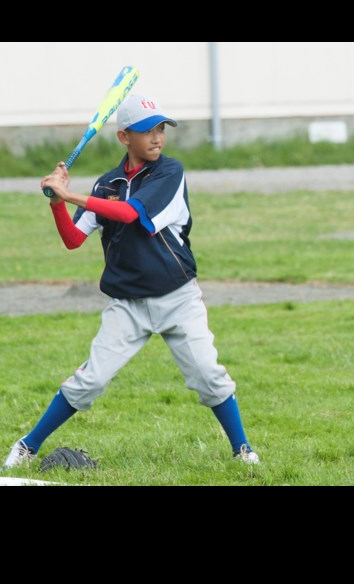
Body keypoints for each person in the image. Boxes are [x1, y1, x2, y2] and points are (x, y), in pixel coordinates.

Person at [2, 95, 260, 470]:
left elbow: (129, 213)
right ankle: (27, 445)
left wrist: (71, 194)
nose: (157, 138)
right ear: (124, 136)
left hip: (178, 298)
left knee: (208, 375)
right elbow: (73, 238)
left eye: (161, 129)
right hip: (127, 305)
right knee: (88, 381)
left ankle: (243, 451)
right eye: (146, 130)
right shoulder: (107, 184)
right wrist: (57, 203)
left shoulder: (170, 173)